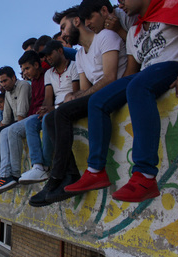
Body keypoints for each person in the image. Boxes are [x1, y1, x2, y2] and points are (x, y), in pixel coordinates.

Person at [64, 0, 178, 202]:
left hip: (173, 65)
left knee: (138, 86)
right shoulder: (134, 30)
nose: (119, 3)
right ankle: (95, 171)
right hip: (145, 74)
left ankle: (145, 175)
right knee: (97, 101)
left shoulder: (172, 6)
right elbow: (131, 71)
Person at [30, 5, 127, 206]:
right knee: (51, 117)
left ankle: (57, 176)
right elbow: (84, 89)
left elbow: (110, 78)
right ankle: (69, 174)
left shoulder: (105, 37)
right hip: (97, 96)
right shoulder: (82, 54)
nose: (63, 34)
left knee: (62, 113)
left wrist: (79, 96)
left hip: (116, 90)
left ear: (76, 22)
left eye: (64, 27)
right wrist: (73, 96)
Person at [19, 40, 79, 191]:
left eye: (49, 54)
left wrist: (51, 109)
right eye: (45, 56)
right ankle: (37, 165)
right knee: (31, 123)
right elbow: (48, 97)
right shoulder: (49, 74)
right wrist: (45, 108)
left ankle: (45, 165)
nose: (47, 59)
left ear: (60, 50)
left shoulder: (74, 66)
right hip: (54, 107)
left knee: (47, 119)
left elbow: (76, 92)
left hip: (68, 105)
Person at [0, 52, 45, 196]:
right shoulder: (7, 93)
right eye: (1, 82)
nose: (3, 85)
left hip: (29, 117)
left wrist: (11, 127)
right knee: (0, 132)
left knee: (12, 131)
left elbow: (21, 114)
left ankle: (14, 174)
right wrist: (4, 127)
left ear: (14, 78)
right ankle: (4, 175)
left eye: (5, 81)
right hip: (23, 120)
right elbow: (6, 118)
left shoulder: (24, 85)